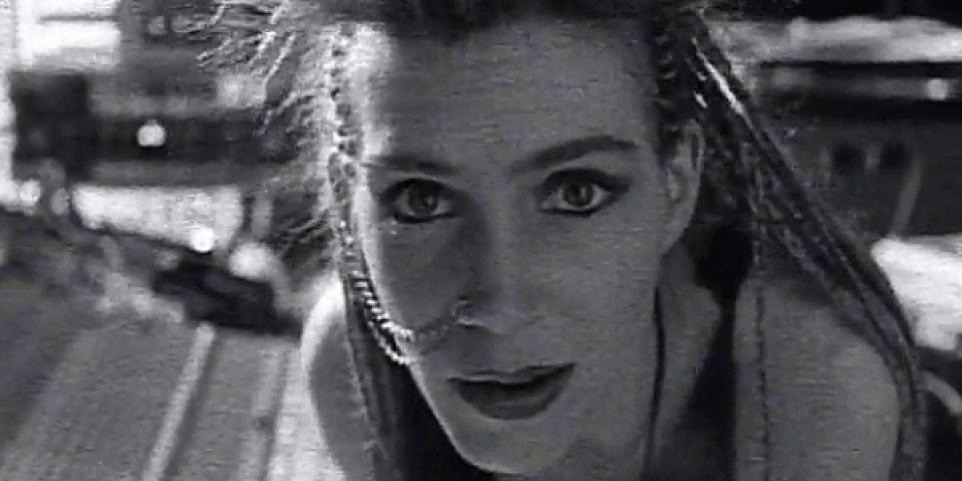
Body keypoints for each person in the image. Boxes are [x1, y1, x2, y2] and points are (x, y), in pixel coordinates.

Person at [211, 1, 932, 480]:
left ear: (676, 185)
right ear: (348, 204)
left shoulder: (814, 391)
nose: (501, 305)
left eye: (576, 192)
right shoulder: (351, 365)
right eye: (421, 200)